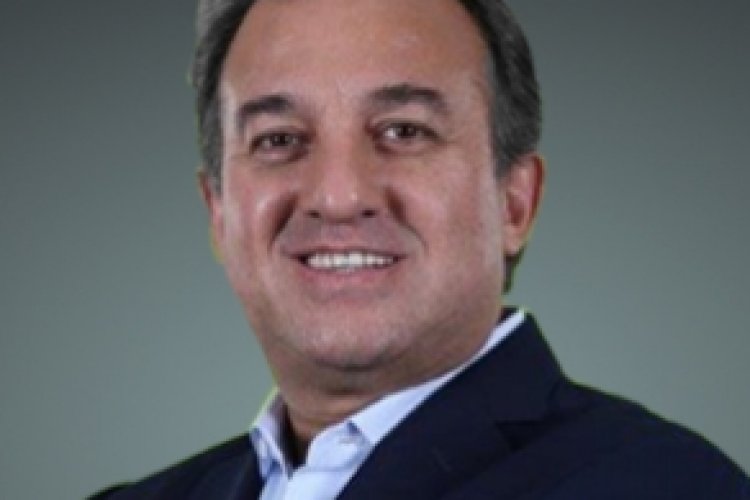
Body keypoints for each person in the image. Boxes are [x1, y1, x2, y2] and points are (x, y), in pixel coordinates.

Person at [90, 0, 750, 498]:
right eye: (279, 139)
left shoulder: (668, 485)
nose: (339, 195)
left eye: (404, 131)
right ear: (218, 213)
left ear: (514, 203)